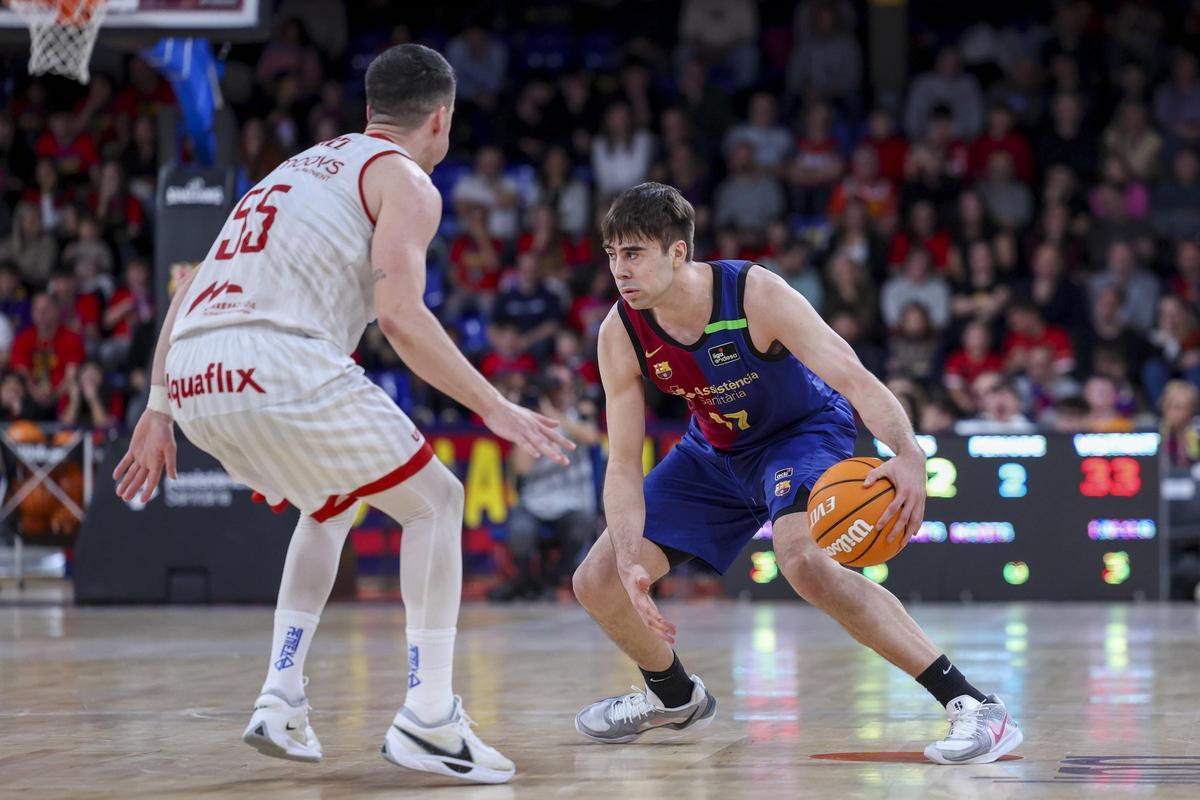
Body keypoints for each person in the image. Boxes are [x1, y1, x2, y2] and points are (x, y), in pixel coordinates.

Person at [111, 44, 575, 785]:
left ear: (368, 111)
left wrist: (158, 405)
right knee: (437, 502)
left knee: (329, 506)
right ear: (440, 118)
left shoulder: (290, 170)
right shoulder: (408, 180)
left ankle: (280, 697)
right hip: (277, 359)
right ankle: (429, 717)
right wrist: (494, 406)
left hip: (193, 372)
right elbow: (401, 317)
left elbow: (191, 282)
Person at [571, 182, 1021, 765]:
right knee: (598, 580)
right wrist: (632, 558)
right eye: (612, 254)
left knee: (804, 561)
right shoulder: (621, 331)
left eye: (633, 253)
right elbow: (623, 464)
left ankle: (975, 704)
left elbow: (852, 375)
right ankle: (675, 697)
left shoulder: (753, 293)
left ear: (677, 252)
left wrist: (910, 453)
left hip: (801, 434)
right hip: (713, 452)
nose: (619, 269)